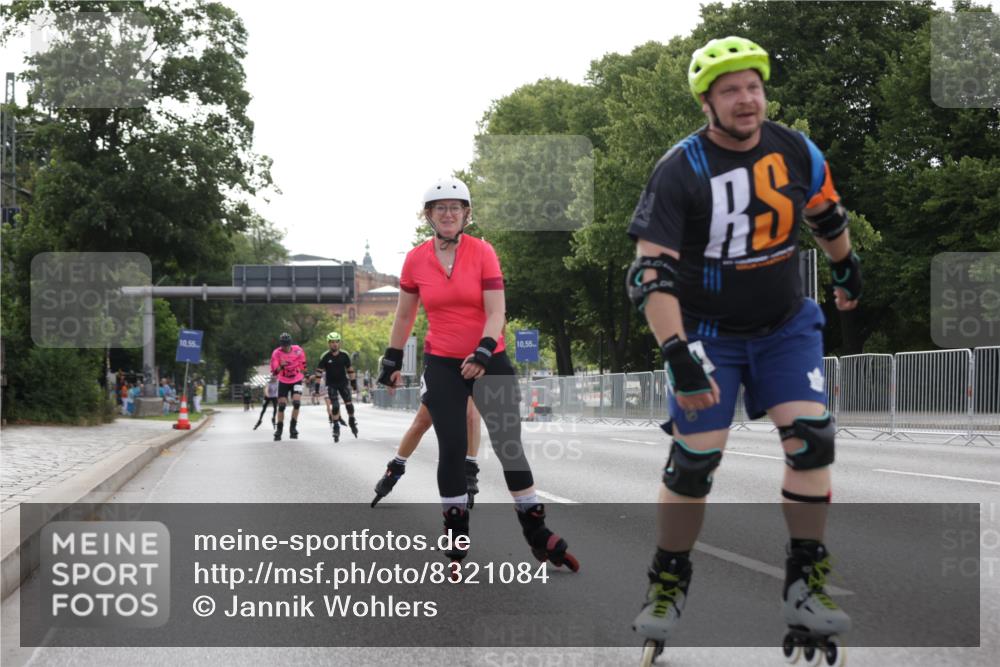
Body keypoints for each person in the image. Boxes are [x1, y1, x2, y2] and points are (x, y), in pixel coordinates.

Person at [626, 36, 859, 657]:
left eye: (753, 86)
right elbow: (650, 273)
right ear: (708, 102)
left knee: (813, 442)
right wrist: (675, 352)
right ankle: (668, 580)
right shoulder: (682, 168)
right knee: (694, 463)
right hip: (706, 334)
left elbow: (827, 216)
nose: (746, 99)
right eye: (730, 90)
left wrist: (846, 269)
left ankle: (805, 583)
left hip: (784, 325)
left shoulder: (794, 149)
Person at [377, 177, 578, 570]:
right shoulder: (416, 259)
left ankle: (535, 531)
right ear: (429, 216)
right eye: (440, 208)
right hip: (443, 362)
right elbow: (405, 313)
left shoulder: (483, 252)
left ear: (467, 213)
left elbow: (496, 311)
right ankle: (456, 538)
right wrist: (391, 359)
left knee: (508, 446)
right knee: (452, 446)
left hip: (491, 357)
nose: (448, 214)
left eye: (456, 207)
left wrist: (484, 351)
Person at [371, 398, 482, 507]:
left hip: (469, 380)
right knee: (422, 422)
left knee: (472, 417)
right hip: (440, 379)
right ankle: (394, 469)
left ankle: (469, 473)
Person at [315, 331, 359, 442]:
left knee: (349, 404)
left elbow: (350, 370)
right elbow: (319, 373)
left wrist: (353, 383)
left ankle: (352, 420)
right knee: (335, 406)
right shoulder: (325, 356)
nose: (334, 344)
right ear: (328, 344)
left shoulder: (345, 355)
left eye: (336, 342)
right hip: (332, 385)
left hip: (343, 383)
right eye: (332, 342)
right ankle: (335, 427)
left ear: (339, 343)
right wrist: (316, 387)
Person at [270, 332, 307, 441]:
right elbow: (274, 373)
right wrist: (281, 366)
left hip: (296, 379)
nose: (285, 347)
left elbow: (303, 364)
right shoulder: (276, 353)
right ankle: (279, 429)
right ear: (280, 345)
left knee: (296, 403)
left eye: (287, 345)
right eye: (283, 345)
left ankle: (293, 427)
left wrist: (307, 374)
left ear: (290, 344)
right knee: (281, 405)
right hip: (283, 380)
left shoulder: (298, 350)